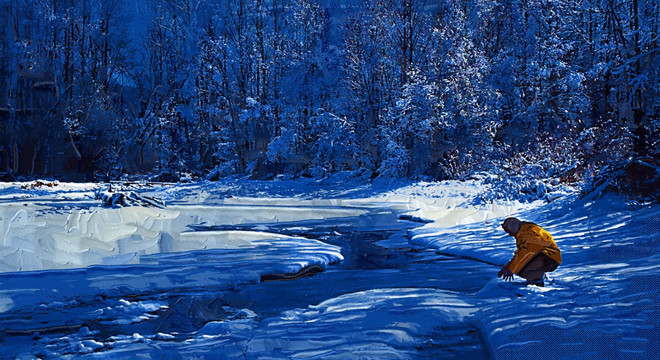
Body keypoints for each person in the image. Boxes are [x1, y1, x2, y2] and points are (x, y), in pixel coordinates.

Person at [497, 217, 561, 287]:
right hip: (548, 256)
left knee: (529, 268)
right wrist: (507, 267)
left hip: (549, 256)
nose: (509, 234)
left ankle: (536, 286)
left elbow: (523, 254)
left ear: (513, 228)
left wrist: (511, 270)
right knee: (520, 269)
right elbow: (519, 254)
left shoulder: (527, 234)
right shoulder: (523, 232)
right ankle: (537, 278)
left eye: (509, 231)